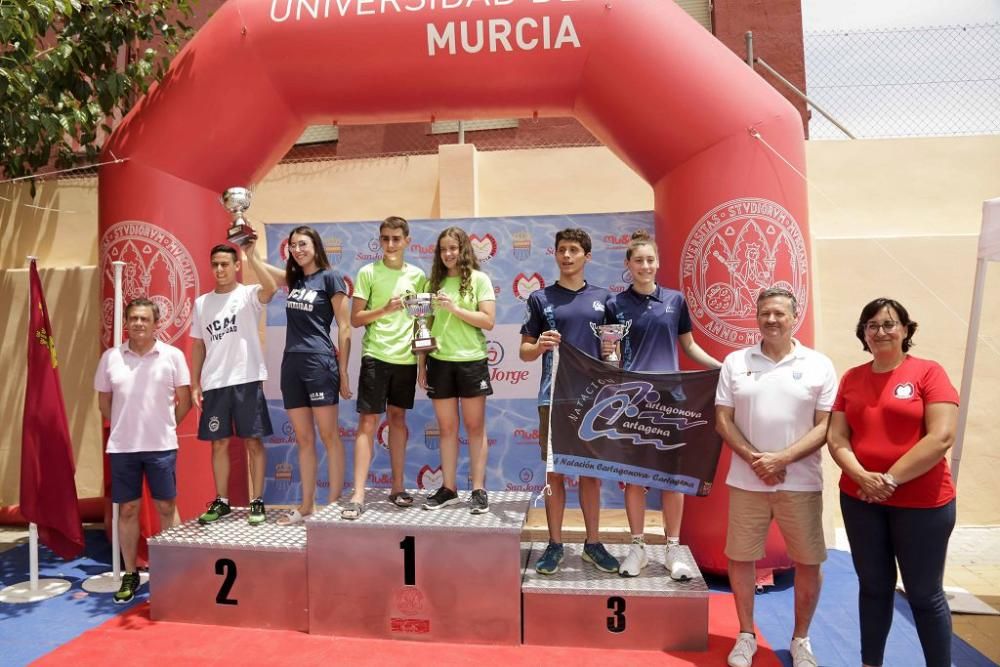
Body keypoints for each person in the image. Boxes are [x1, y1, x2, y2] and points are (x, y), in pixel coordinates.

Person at [827, 298, 959, 667]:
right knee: (873, 588)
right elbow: (837, 437)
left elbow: (942, 436)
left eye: (889, 324)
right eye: (872, 325)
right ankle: (871, 663)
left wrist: (888, 479)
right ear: (863, 333)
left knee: (923, 593)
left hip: (923, 504)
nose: (880, 331)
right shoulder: (852, 377)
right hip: (860, 500)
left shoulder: (929, 372)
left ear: (905, 329)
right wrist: (861, 478)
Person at [715, 287, 837, 667]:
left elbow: (826, 425)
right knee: (741, 557)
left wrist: (781, 458)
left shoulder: (819, 365)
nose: (771, 320)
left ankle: (801, 639)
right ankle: (746, 634)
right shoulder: (736, 362)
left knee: (808, 561)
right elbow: (723, 420)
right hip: (747, 480)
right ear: (757, 316)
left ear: (793, 317)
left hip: (800, 482)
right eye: (765, 313)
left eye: (779, 314)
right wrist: (757, 460)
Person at [605, 230, 721, 581]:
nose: (644, 265)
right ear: (628, 265)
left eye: (650, 259)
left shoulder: (675, 301)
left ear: (658, 263)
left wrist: (723, 368)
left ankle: (672, 549)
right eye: (638, 260)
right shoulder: (615, 305)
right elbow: (610, 353)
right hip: (633, 402)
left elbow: (689, 347)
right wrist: (611, 376)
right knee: (635, 479)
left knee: (672, 480)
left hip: (671, 402)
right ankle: (637, 547)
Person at [520, 228, 619, 575]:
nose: (566, 255)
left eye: (574, 250)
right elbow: (524, 352)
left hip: (594, 400)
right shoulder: (540, 299)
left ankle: (593, 543)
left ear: (587, 256)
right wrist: (541, 345)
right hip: (554, 396)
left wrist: (612, 354)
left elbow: (615, 353)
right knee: (555, 475)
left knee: (591, 476)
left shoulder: (606, 300)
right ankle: (554, 544)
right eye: (561, 249)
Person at [94, 298, 192, 603]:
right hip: (123, 448)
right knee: (128, 510)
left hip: (161, 447)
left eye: (144, 319)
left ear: (156, 323)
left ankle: (171, 572)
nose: (138, 323)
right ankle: (131, 574)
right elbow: (104, 404)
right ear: (127, 322)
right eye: (133, 318)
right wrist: (127, 426)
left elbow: (185, 402)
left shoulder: (173, 356)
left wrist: (164, 427)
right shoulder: (110, 358)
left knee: (166, 508)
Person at [259, 226, 351, 525]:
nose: (298, 250)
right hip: (291, 365)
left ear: (316, 246)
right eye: (293, 245)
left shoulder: (330, 277)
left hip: (319, 362)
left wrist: (344, 371)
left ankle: (335, 505)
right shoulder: (296, 281)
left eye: (303, 244)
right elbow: (272, 273)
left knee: (328, 436)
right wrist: (247, 251)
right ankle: (307, 505)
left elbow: (346, 327)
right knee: (304, 439)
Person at [343, 216, 427, 519]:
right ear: (380, 241)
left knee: (398, 420)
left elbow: (422, 323)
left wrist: (421, 364)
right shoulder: (367, 272)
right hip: (376, 356)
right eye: (385, 238)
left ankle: (397, 487)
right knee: (367, 423)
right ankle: (359, 493)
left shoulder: (418, 276)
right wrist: (385, 309)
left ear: (407, 241)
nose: (390, 244)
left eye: (395, 238)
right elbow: (356, 319)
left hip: (404, 359)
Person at [190, 241, 278, 526]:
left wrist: (251, 253)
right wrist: (194, 383)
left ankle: (257, 501)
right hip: (215, 382)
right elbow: (198, 346)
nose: (219, 269)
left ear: (236, 266)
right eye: (215, 264)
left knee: (253, 441)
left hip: (247, 378)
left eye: (225, 264)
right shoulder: (202, 303)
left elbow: (272, 288)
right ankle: (222, 501)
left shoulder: (248, 294)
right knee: (218, 444)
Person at [417, 227, 496, 513]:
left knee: (475, 427)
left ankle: (478, 489)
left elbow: (488, 321)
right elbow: (422, 326)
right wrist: (421, 364)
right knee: (447, 428)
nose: (448, 254)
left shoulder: (479, 280)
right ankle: (449, 488)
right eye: (443, 249)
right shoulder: (431, 284)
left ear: (463, 250)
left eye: (453, 248)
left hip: (471, 361)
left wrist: (454, 308)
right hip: (439, 362)